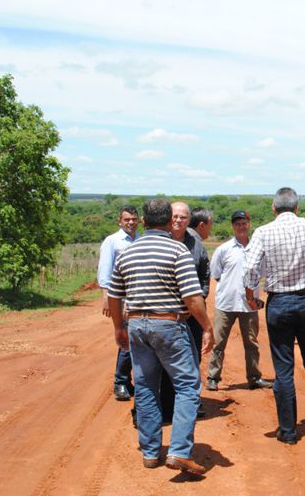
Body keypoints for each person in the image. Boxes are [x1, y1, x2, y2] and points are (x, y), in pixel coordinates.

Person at [107, 198, 215, 475]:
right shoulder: (177, 250)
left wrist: (119, 328)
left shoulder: (127, 252)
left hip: (137, 326)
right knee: (188, 386)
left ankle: (151, 452)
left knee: (144, 387)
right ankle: (179, 451)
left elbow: (114, 295)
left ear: (143, 222)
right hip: (169, 325)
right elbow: (192, 298)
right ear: (169, 222)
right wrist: (207, 327)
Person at [243, 187, 305, 445]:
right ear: (297, 208)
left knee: (284, 369)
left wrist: (250, 296)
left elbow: (251, 268)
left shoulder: (263, 232)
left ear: (274, 208)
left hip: (279, 303)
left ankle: (288, 431)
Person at [207, 210, 273, 391]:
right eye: (237, 224)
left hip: (249, 305)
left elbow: (264, 274)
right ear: (232, 226)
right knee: (219, 342)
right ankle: (213, 377)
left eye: (244, 223)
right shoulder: (223, 249)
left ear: (249, 225)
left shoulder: (259, 250)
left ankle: (254, 377)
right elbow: (217, 275)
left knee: (251, 343)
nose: (241, 227)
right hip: (226, 303)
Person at [159, 202, 211, 422]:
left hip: (192, 315)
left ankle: (190, 403)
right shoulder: (159, 241)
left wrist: (196, 303)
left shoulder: (196, 245)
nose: (178, 220)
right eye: (175, 216)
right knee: (163, 362)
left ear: (189, 221)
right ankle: (164, 405)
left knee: (192, 358)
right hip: (166, 315)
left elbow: (204, 278)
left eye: (183, 217)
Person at [97, 205, 140, 401]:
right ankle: (120, 382)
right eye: (126, 219)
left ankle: (130, 382)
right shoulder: (112, 241)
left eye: (133, 219)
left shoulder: (141, 240)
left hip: (139, 296)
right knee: (127, 339)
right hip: (121, 297)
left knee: (138, 338)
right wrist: (107, 296)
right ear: (119, 221)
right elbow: (105, 269)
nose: (130, 222)